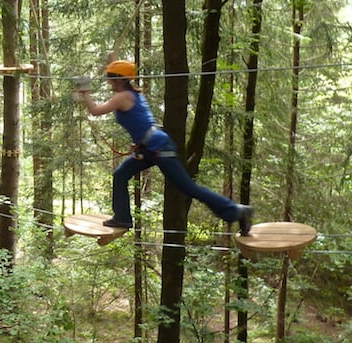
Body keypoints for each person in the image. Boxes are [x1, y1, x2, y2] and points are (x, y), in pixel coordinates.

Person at [76, 60, 253, 235]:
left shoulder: (123, 96)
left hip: (159, 148)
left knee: (189, 188)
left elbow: (95, 111)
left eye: (112, 78)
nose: (109, 81)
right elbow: (142, 122)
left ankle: (237, 211)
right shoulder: (132, 95)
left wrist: (85, 92)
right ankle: (122, 217)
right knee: (120, 175)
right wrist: (139, 143)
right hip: (147, 147)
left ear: (121, 80)